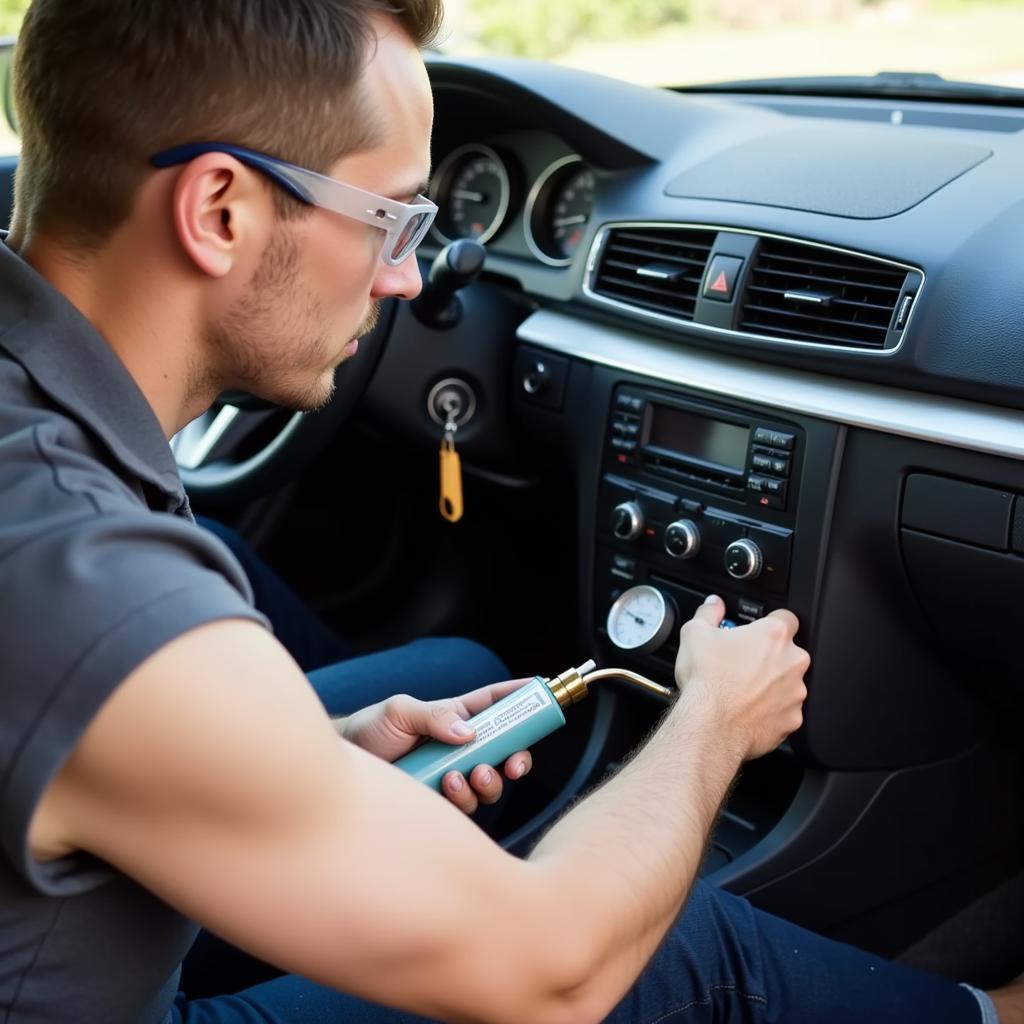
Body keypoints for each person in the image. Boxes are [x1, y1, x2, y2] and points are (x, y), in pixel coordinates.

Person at [0, 2, 1019, 1022]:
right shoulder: (103, 598)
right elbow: (557, 973)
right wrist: (713, 720)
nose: (404, 277)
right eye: (389, 219)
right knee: (665, 954)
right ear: (220, 210)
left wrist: (308, 750)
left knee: (461, 680)